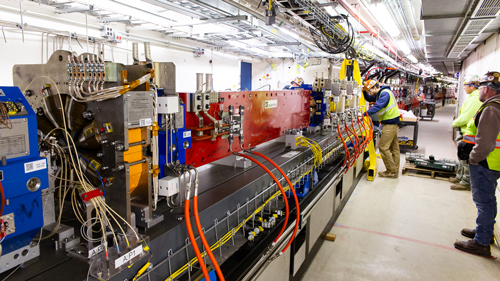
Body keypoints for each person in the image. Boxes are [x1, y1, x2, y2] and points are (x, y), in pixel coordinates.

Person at [454, 71, 500, 257]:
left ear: (487, 89)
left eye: (481, 87)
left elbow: (486, 142)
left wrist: (473, 158)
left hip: (485, 162)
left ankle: (481, 242)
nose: (479, 91)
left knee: (483, 201)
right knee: (488, 200)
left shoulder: (491, 108)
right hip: (492, 162)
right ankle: (485, 232)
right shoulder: (494, 105)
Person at [450, 74, 482, 190]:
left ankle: (465, 182)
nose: (464, 87)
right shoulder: (473, 97)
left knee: (466, 158)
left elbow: (466, 117)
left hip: (471, 134)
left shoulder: (475, 99)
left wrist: (455, 123)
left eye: (465, 85)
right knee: (462, 157)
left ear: (473, 86)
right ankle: (460, 177)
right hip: (466, 133)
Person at [362, 80, 400, 178]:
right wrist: (364, 91)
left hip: (390, 123)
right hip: (392, 122)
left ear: (375, 87)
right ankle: (394, 171)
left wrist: (364, 114)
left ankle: (391, 171)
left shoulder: (385, 94)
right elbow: (369, 98)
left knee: (383, 147)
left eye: (369, 90)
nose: (369, 93)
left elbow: (378, 106)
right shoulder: (380, 94)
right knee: (394, 148)